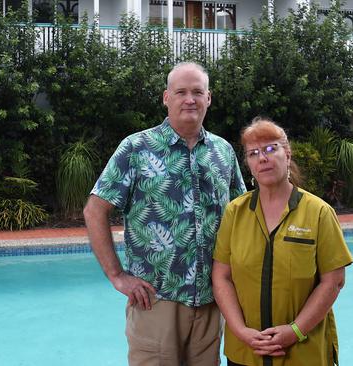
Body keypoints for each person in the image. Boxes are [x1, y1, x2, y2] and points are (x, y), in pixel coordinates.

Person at [83, 62, 246, 366]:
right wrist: (117, 276)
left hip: (212, 303)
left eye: (197, 92)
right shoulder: (136, 148)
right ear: (166, 98)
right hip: (156, 302)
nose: (190, 99)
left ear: (208, 98)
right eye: (181, 92)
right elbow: (95, 210)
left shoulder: (223, 152)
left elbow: (242, 216)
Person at [212, 117, 353, 366]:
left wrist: (295, 331)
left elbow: (334, 281)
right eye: (253, 153)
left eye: (270, 148)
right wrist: (241, 331)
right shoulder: (235, 213)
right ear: (248, 164)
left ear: (287, 154)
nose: (262, 158)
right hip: (246, 353)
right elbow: (221, 276)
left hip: (303, 353)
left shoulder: (318, 212)